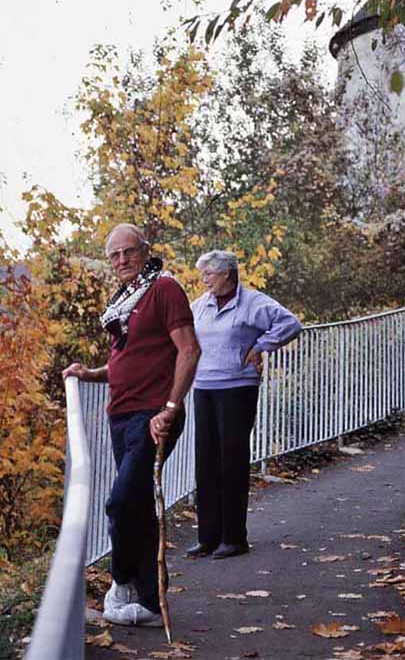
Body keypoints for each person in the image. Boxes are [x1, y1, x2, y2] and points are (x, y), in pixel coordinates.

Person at [63, 223, 200, 626]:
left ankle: (120, 581)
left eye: (129, 252)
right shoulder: (126, 301)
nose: (122, 261)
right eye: (115, 255)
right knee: (136, 505)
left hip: (152, 416)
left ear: (145, 251)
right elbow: (128, 362)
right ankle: (150, 604)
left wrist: (170, 408)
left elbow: (189, 351)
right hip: (120, 416)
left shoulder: (164, 288)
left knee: (121, 501)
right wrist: (90, 373)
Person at [187, 250, 302, 560]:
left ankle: (234, 538)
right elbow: (182, 337)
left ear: (227, 273)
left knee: (232, 462)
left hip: (238, 388)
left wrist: (261, 346)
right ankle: (208, 538)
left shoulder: (253, 302)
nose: (204, 278)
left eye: (209, 273)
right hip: (204, 388)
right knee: (206, 463)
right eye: (203, 274)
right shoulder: (200, 305)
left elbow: (291, 324)